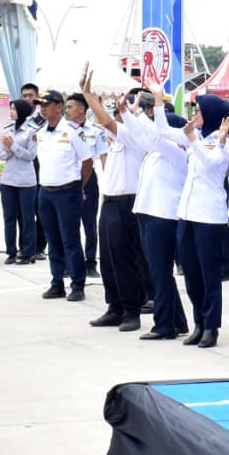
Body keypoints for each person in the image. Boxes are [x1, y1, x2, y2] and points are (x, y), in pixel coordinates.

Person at [171, 93, 229, 348]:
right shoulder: (200, 138)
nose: (194, 115)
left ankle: (211, 326)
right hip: (187, 213)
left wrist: (192, 137)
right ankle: (199, 321)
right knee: (191, 274)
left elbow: (211, 160)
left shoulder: (223, 140)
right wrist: (160, 103)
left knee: (209, 275)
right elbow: (163, 133)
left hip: (209, 217)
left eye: (199, 111)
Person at [79, 72, 154, 331]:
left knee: (126, 259)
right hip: (110, 201)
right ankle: (115, 307)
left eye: (128, 107)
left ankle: (132, 310)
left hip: (129, 203)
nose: (121, 111)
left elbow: (108, 122)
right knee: (109, 258)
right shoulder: (117, 137)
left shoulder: (137, 135)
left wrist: (88, 96)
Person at [131, 96, 191, 340]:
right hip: (148, 214)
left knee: (160, 272)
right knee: (158, 271)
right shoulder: (155, 153)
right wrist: (128, 112)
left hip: (163, 217)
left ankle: (164, 325)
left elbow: (155, 135)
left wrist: (140, 112)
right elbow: (141, 135)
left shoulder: (177, 153)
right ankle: (177, 320)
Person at [32, 91, 87, 301]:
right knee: (52, 239)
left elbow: (87, 162)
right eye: (40, 105)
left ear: (58, 106)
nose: (42, 109)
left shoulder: (72, 131)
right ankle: (57, 283)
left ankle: (77, 285)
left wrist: (79, 186)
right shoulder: (42, 132)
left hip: (67, 191)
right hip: (45, 192)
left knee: (70, 239)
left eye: (46, 105)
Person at [0, 97, 44, 266]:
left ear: (22, 111)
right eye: (10, 109)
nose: (11, 112)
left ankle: (28, 252)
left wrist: (13, 147)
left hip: (26, 181)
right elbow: (2, 155)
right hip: (9, 179)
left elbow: (31, 155)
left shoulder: (32, 131)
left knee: (27, 218)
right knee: (9, 217)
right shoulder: (8, 129)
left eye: (13, 109)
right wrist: (10, 148)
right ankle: (11, 251)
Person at [67, 92, 103, 277]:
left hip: (88, 180)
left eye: (70, 107)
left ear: (82, 109)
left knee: (89, 224)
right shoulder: (63, 130)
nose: (67, 110)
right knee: (68, 224)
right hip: (68, 179)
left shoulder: (95, 131)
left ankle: (90, 262)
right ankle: (70, 262)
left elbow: (102, 157)